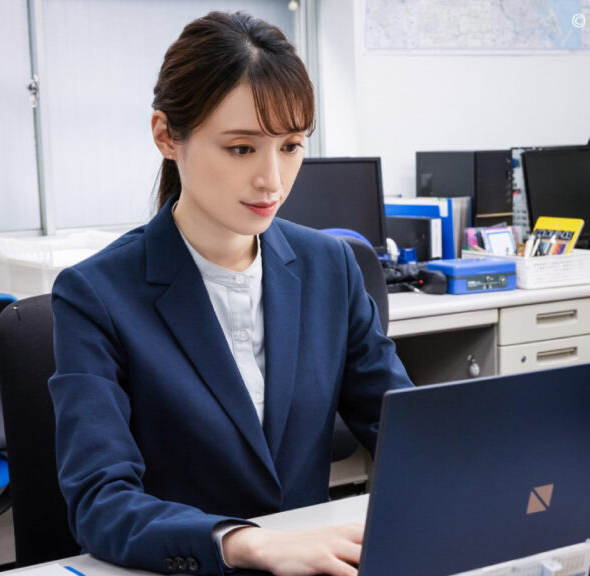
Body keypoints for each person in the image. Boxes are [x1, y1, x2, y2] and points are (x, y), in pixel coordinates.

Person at [49, 11, 413, 576]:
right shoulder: (94, 295)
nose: (272, 179)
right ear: (167, 136)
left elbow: (403, 430)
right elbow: (100, 503)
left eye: (290, 146)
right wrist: (245, 542)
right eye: (242, 148)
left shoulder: (331, 267)